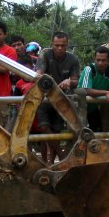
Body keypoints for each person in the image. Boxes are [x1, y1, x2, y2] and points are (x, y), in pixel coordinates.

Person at [33, 31, 80, 163]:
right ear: (52, 44)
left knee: (57, 130)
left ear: (67, 45)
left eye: (63, 45)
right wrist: (45, 78)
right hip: (44, 97)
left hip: (61, 98)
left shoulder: (73, 59)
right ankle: (61, 155)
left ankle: (52, 163)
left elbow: (76, 80)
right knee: (44, 127)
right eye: (57, 45)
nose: (59, 48)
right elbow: (38, 74)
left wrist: (69, 81)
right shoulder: (45, 54)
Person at [75, 46, 109, 132]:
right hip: (80, 107)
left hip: (94, 107)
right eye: (98, 60)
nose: (100, 63)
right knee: (79, 133)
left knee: (97, 131)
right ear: (94, 59)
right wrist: (105, 93)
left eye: (103, 60)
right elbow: (86, 90)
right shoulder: (89, 69)